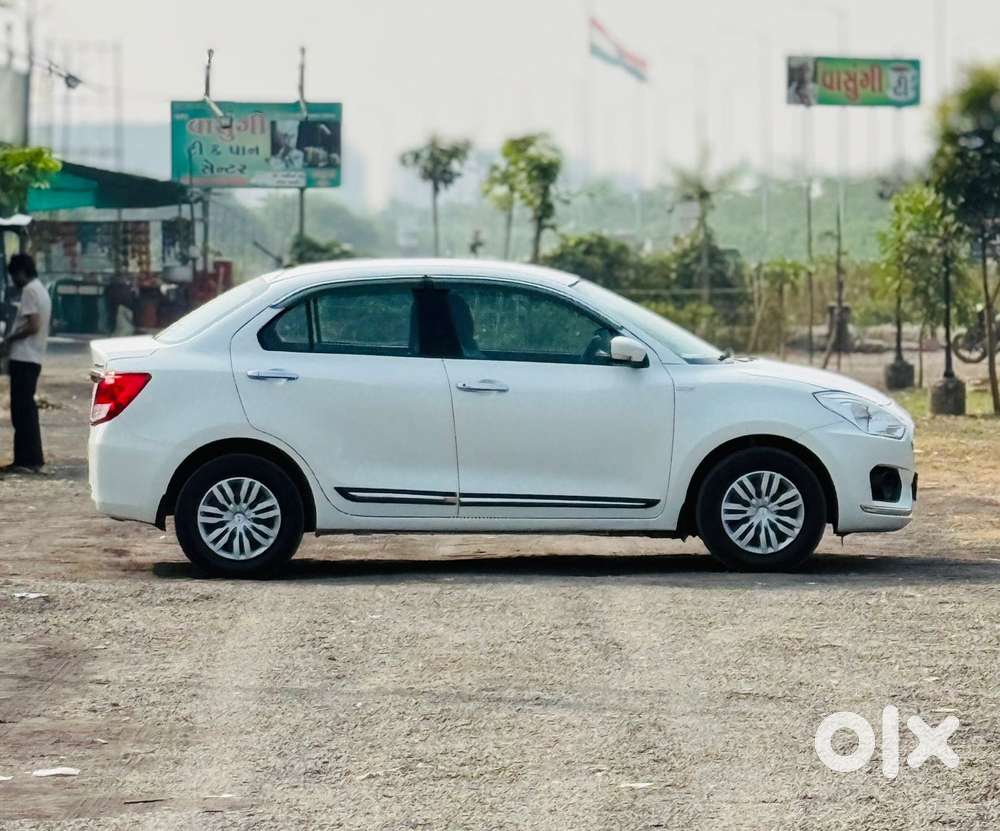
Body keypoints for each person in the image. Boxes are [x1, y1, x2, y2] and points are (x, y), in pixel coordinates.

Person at [1, 253, 50, 473]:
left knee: (21, 411)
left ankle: (25, 460)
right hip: (34, 357)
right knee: (27, 410)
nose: (14, 281)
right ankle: (32, 459)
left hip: (24, 357)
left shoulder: (29, 290)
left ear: (21, 272)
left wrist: (8, 339)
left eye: (14, 275)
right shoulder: (41, 289)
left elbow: (33, 325)